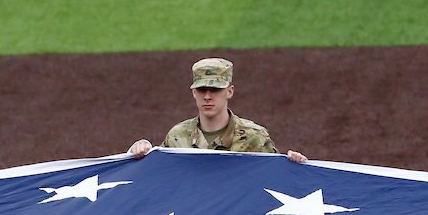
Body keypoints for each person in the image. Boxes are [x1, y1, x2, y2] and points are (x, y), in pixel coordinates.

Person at [128, 58, 307, 163]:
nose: (207, 96)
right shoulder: (177, 136)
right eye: (202, 90)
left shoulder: (255, 138)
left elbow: (276, 180)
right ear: (193, 92)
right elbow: (158, 175)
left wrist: (296, 164)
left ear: (229, 92)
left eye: (215, 90)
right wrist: (140, 151)